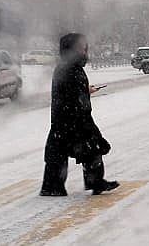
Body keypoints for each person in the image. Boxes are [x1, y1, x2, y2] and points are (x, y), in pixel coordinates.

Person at [40, 33, 119, 197]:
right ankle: (92, 182)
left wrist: (85, 90)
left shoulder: (68, 67)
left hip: (64, 119)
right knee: (91, 147)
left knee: (60, 151)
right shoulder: (70, 69)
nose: (85, 50)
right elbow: (71, 97)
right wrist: (82, 111)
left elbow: (70, 93)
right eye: (82, 47)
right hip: (74, 118)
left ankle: (53, 186)